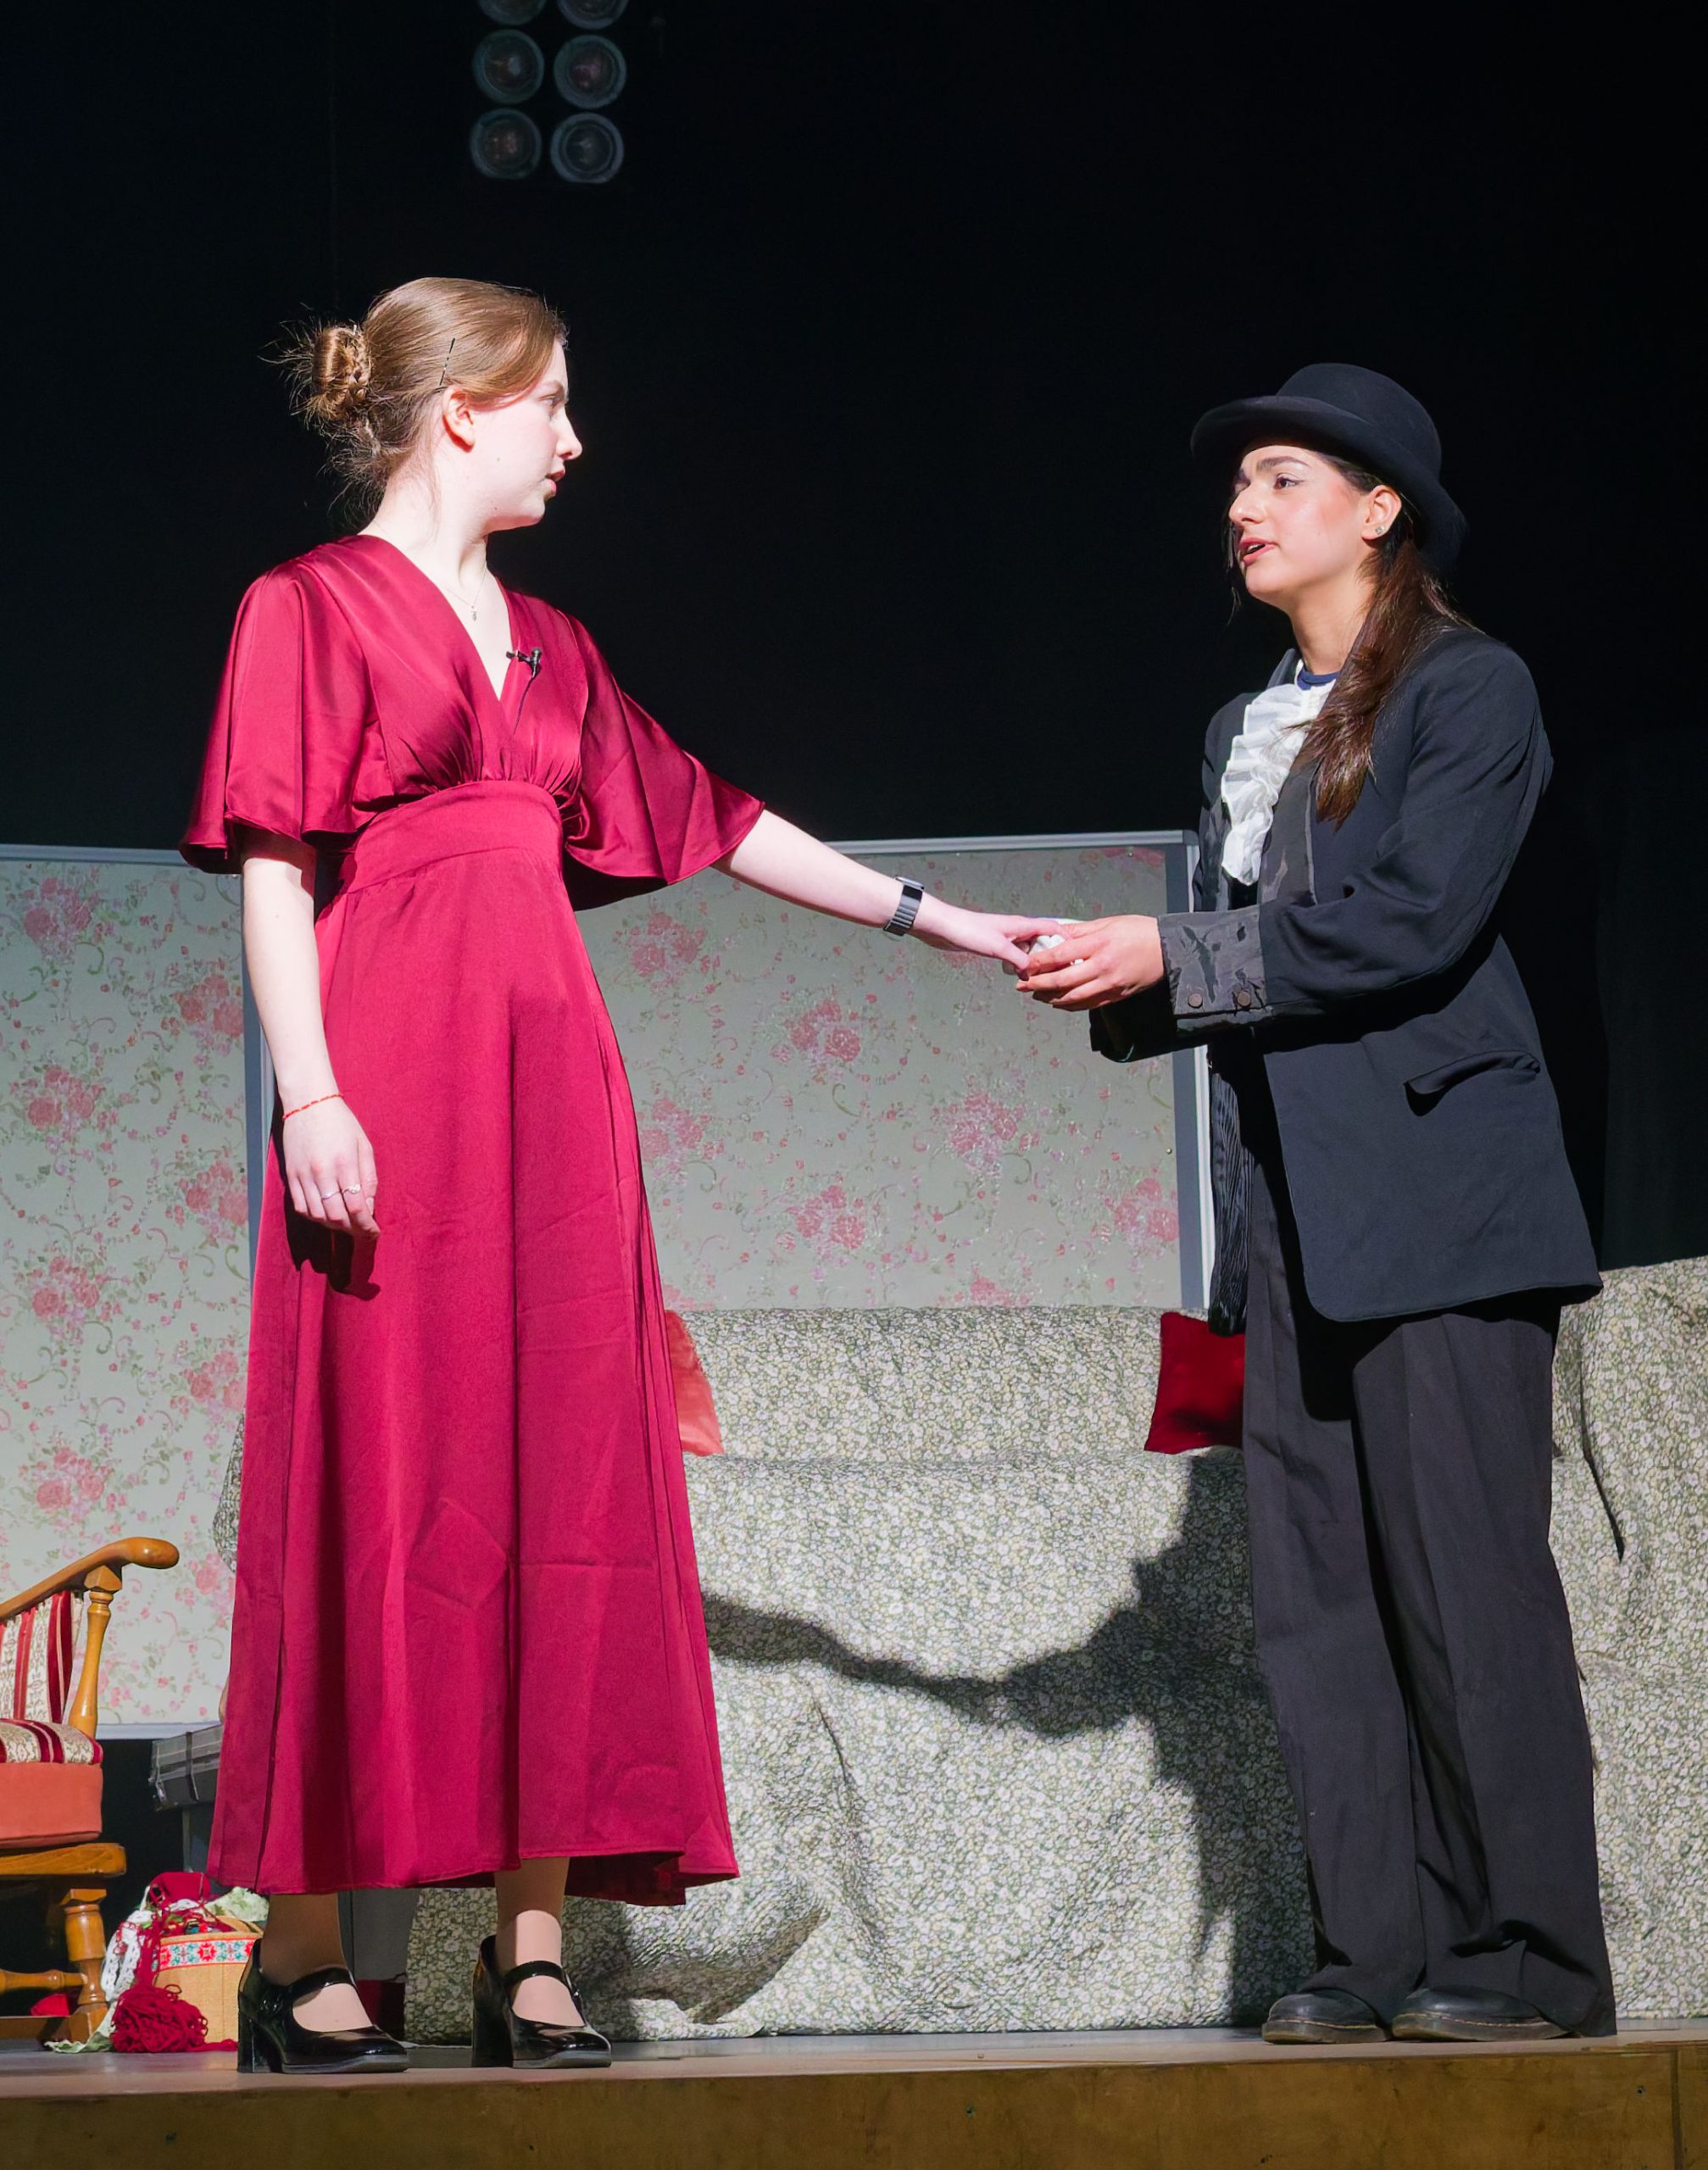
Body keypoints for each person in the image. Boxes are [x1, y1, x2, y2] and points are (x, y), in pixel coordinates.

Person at [182, 275, 1049, 2076]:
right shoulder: (307, 605)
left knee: (557, 1484)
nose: (576, 440)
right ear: (465, 407)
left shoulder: (556, 649)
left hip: (554, 1107)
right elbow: (275, 863)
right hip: (387, 1080)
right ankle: (311, 1951)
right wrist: (309, 1093)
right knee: (377, 1475)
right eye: (553, 403)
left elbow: (721, 817)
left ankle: (528, 1950)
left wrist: (941, 919)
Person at [1018, 364, 1615, 2045]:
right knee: (1321, 1603)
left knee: (1465, 1593)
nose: (1245, 507)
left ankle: (1528, 1960)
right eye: (1239, 484)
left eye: (1283, 477)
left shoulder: (1468, 687)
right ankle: (1371, 1954)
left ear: (1380, 509)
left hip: (1444, 1206)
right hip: (1292, 1220)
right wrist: (1111, 981)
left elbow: (1413, 921)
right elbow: (1248, 968)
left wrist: (1172, 954)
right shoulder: (1244, 727)